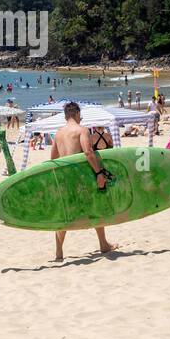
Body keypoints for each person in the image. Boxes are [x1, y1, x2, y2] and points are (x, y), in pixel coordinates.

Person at [50, 102, 114, 260]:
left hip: (65, 178)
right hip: (80, 178)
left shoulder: (58, 133)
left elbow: (53, 159)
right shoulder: (82, 130)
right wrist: (99, 172)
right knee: (96, 207)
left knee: (65, 214)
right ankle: (103, 244)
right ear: (77, 114)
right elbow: (88, 152)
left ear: (66, 115)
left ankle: (59, 252)